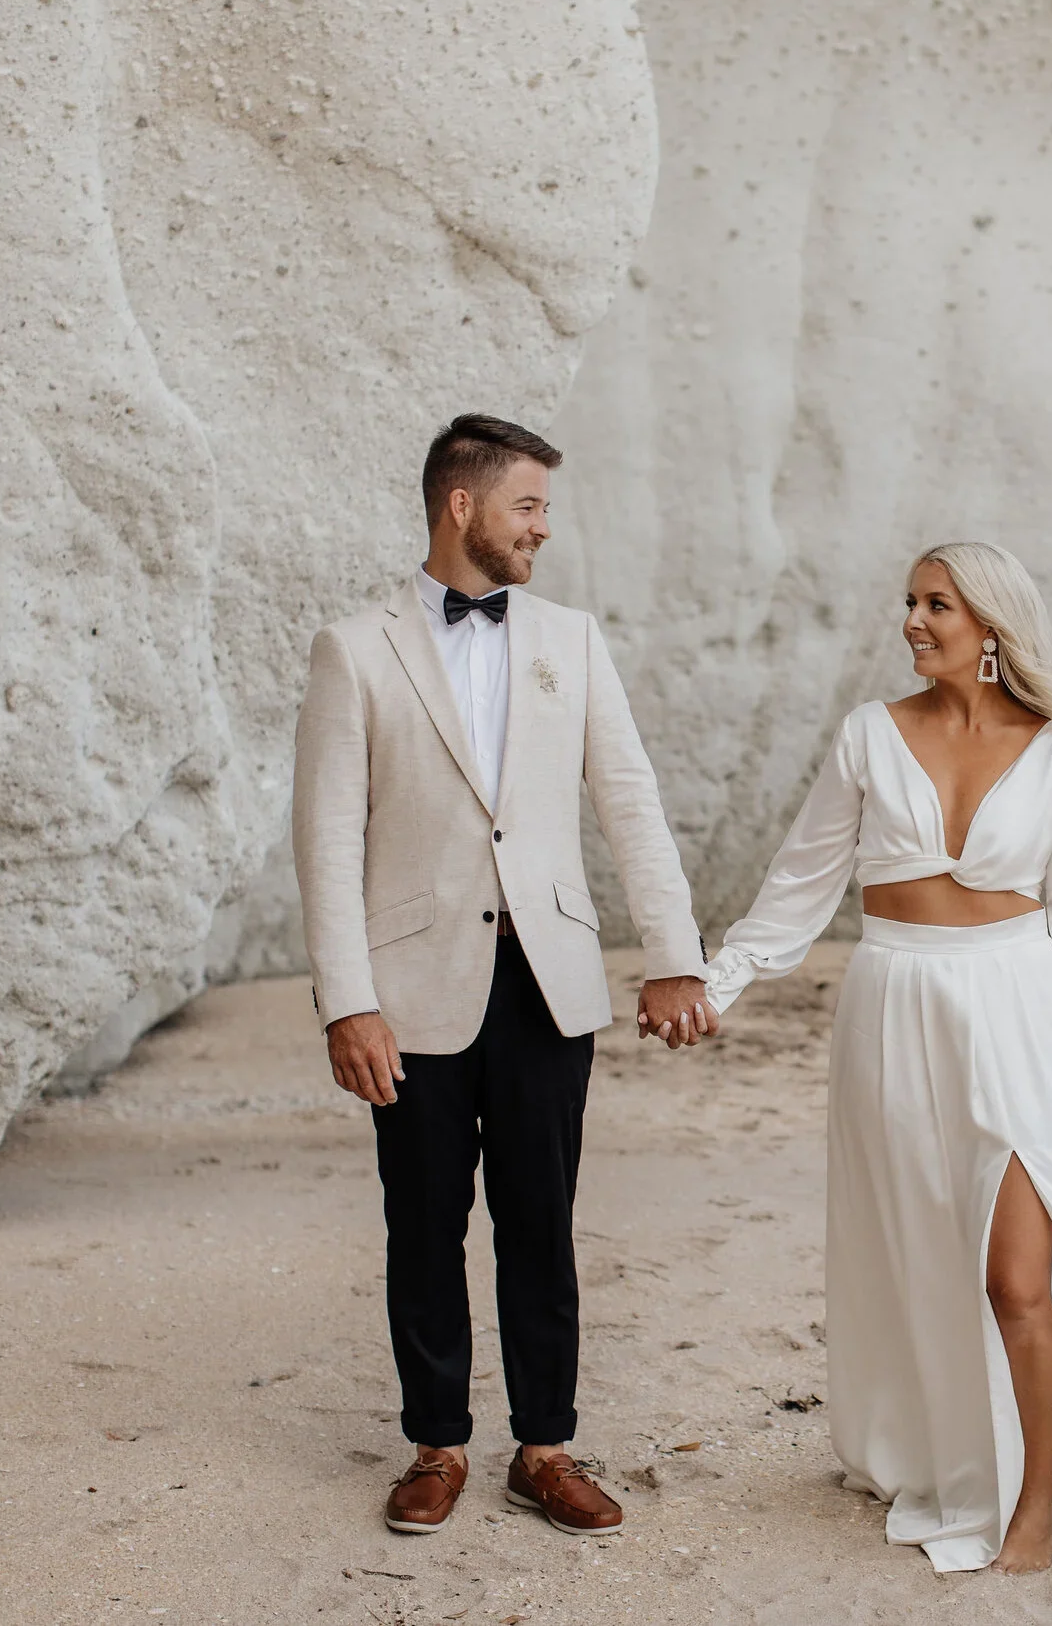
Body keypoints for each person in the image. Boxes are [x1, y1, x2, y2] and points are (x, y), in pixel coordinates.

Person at [703, 542, 1052, 1576]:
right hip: (891, 1006)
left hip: (1018, 1013)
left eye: (937, 604)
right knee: (921, 1255)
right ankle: (952, 1454)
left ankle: (1037, 1498)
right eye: (909, 602)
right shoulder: (868, 735)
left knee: (1018, 1279)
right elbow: (800, 884)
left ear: (991, 623)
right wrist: (719, 981)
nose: (914, 620)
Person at [291, 413, 719, 1538]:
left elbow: (628, 795)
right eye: (528, 505)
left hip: (547, 977)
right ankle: (436, 1442)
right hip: (410, 985)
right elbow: (326, 836)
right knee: (422, 1222)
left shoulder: (570, 638)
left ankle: (546, 1446)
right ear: (462, 506)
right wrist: (347, 998)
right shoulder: (354, 646)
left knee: (543, 1218)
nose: (542, 527)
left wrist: (674, 955)